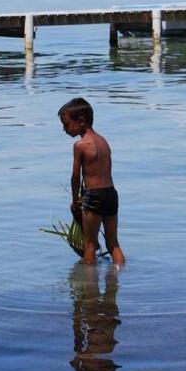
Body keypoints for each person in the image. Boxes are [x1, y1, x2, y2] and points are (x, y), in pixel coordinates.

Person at [58, 97, 125, 265]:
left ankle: (89, 289)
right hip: (111, 194)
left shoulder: (80, 145)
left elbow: (75, 177)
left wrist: (75, 201)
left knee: (90, 245)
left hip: (94, 196)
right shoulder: (103, 141)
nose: (64, 129)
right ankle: (119, 278)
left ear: (81, 121)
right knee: (113, 244)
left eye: (66, 124)